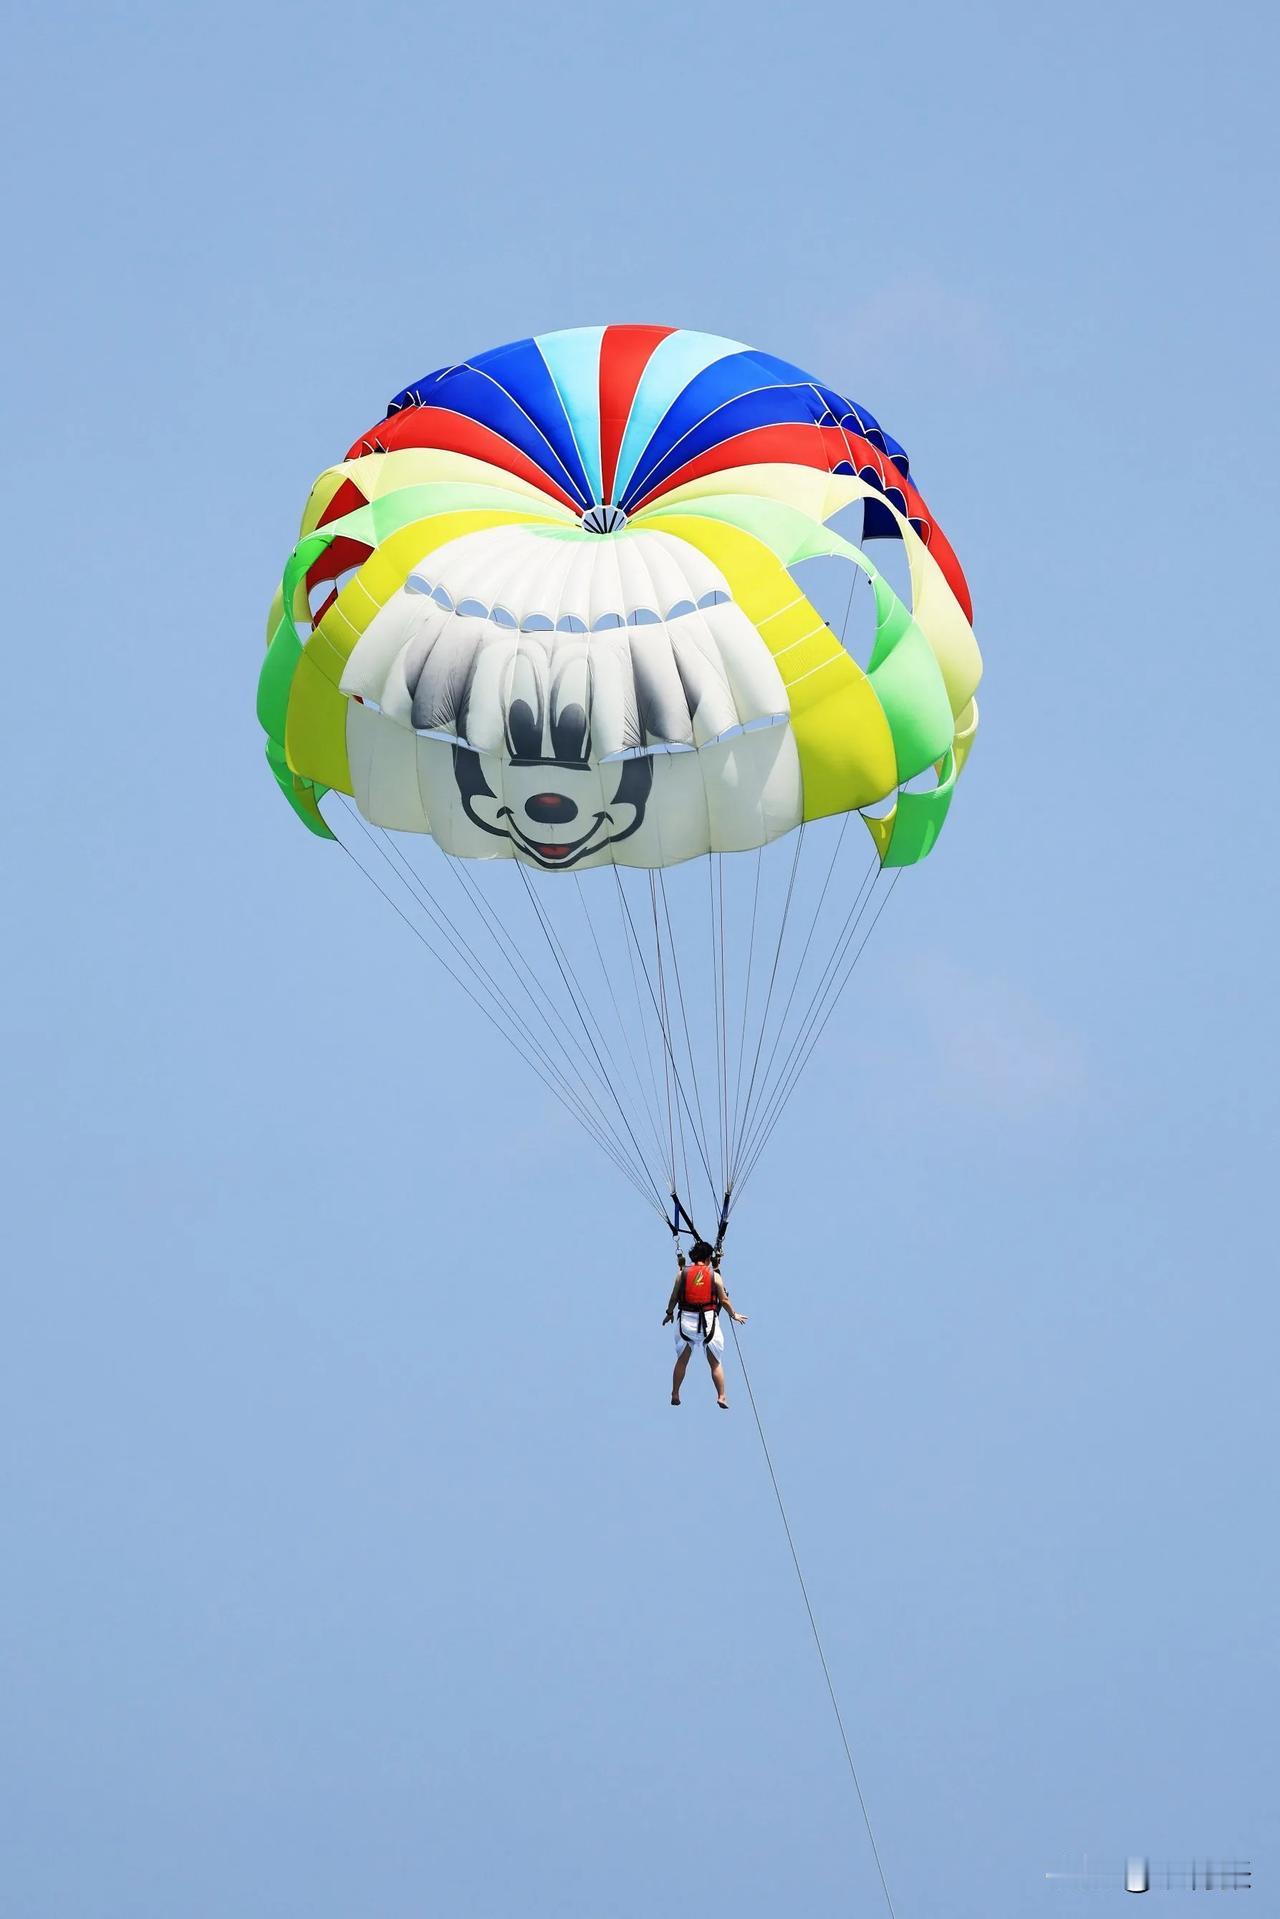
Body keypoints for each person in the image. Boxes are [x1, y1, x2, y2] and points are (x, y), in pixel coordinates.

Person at [663, 1239, 748, 1409]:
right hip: (709, 1323)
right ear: (709, 1258)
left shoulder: (682, 1274)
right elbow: (723, 1300)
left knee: (682, 1360)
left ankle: (675, 1393)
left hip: (686, 1322)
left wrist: (669, 1313)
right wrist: (733, 1314)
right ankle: (722, 1396)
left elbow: (673, 1297)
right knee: (715, 1362)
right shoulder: (714, 1276)